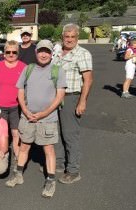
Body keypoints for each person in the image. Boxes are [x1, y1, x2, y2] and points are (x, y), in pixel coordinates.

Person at [5, 40, 66, 198]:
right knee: (24, 146)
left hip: (47, 118)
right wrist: (25, 110)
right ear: (36, 52)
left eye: (47, 51)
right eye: (41, 51)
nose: (43, 54)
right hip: (28, 117)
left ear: (52, 53)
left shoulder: (57, 70)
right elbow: (19, 91)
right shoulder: (28, 69)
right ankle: (18, 174)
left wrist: (44, 113)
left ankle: (50, 181)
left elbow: (59, 96)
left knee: (49, 150)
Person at [52, 23, 93, 184]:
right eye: (66, 36)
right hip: (55, 97)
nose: (69, 39)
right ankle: (60, 163)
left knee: (70, 134)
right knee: (57, 132)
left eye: (72, 37)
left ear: (77, 37)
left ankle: (74, 170)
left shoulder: (82, 53)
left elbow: (88, 80)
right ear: (62, 37)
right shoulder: (58, 53)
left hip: (71, 97)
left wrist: (82, 101)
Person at [0, 40, 26, 168]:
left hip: (16, 107)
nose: (11, 54)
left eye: (14, 52)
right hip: (0, 107)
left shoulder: (23, 67)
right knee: (1, 134)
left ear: (17, 53)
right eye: (8, 52)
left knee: (16, 133)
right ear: (4, 53)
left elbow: (27, 86)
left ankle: (17, 158)